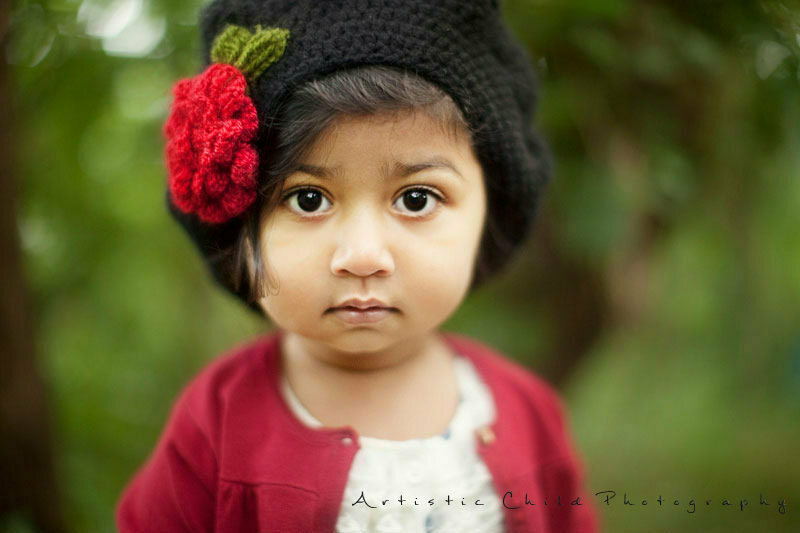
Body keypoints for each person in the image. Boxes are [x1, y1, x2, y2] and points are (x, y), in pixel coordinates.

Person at [115, 1, 600, 531]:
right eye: (307, 199)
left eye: (416, 199)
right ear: (240, 233)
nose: (363, 255)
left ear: (491, 210)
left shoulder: (529, 414)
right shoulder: (215, 426)